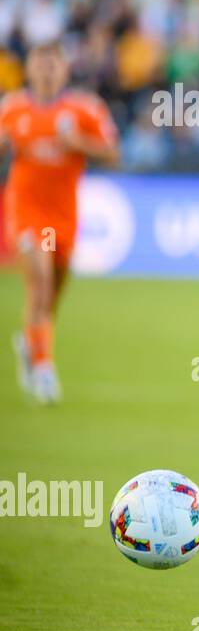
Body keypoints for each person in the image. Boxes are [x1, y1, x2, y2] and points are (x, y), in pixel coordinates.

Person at [1, 42, 119, 404]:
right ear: (31, 70)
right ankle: (44, 369)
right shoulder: (12, 109)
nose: (48, 71)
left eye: (54, 64)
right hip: (25, 211)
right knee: (39, 284)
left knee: (51, 294)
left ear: (64, 70)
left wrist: (77, 142)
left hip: (63, 216)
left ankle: (31, 340)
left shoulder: (84, 110)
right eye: (41, 64)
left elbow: (113, 154)